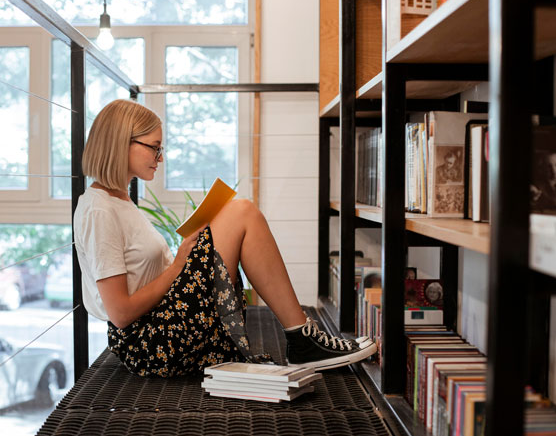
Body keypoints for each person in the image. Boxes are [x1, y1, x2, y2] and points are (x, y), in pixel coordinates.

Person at [73, 99, 376, 377]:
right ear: (121, 143)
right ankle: (301, 337)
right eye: (154, 147)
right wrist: (179, 265)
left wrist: (186, 254)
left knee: (236, 215)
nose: (160, 157)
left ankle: (301, 336)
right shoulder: (99, 210)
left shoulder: (120, 201)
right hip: (149, 342)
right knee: (241, 211)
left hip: (162, 322)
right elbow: (121, 313)